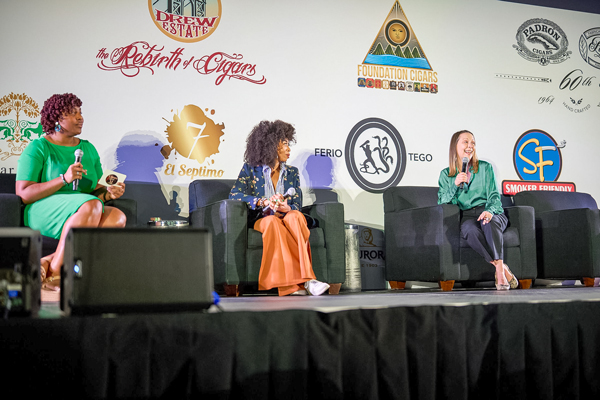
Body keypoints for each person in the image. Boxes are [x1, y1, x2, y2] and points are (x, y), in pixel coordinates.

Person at [15, 93, 127, 291]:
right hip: (43, 210)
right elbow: (24, 193)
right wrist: (63, 179)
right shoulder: (38, 147)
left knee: (117, 217)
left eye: (80, 112)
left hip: (84, 209)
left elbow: (95, 192)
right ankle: (57, 276)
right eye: (73, 113)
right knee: (91, 206)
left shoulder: (88, 149)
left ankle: (48, 265)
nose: (80, 117)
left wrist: (108, 193)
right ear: (57, 119)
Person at [229, 120, 330, 296]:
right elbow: (235, 195)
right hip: (263, 218)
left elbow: (297, 203)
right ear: (271, 145)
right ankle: (302, 283)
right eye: (284, 144)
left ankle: (305, 281)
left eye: (288, 144)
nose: (289, 149)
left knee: (296, 217)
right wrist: (263, 202)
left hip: (286, 215)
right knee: (272, 223)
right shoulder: (250, 170)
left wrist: (287, 207)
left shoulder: (292, 172)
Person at [437, 130, 518, 290]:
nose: (470, 146)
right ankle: (501, 267)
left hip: (492, 211)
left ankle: (500, 274)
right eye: (466, 142)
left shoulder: (485, 168)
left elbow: (494, 196)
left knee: (488, 222)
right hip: (468, 215)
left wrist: (489, 211)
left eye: (473, 142)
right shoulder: (447, 174)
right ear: (455, 146)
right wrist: (455, 185)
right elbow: (442, 201)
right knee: (469, 230)